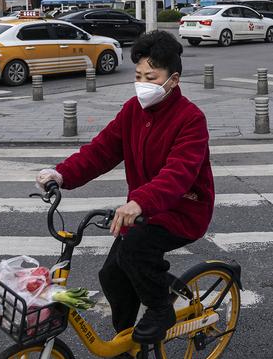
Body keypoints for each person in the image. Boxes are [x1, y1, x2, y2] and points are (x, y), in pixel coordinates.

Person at [36, 31, 214, 349]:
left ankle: (161, 310)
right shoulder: (133, 110)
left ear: (173, 80)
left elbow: (178, 174)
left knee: (135, 251)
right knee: (112, 275)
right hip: (144, 209)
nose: (142, 82)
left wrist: (138, 202)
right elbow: (101, 150)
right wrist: (61, 174)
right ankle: (126, 341)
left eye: (151, 76)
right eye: (138, 75)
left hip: (182, 210)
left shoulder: (191, 119)